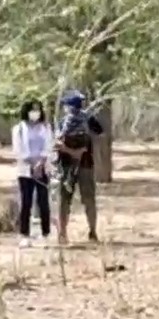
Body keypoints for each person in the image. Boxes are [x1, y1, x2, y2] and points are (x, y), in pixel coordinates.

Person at [54, 90, 105, 244]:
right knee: (87, 200)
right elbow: (100, 134)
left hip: (68, 166)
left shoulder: (63, 123)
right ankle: (92, 232)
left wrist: (69, 150)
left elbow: (56, 143)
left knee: (65, 200)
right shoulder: (88, 119)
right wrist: (80, 150)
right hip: (83, 164)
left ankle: (64, 234)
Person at [11, 99, 54, 247]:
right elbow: (18, 150)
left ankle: (45, 234)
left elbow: (49, 147)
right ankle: (24, 235)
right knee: (26, 202)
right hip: (25, 170)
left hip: (42, 170)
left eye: (38, 110)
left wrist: (40, 164)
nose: (35, 113)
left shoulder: (46, 127)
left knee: (43, 202)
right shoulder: (19, 129)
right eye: (32, 110)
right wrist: (31, 163)